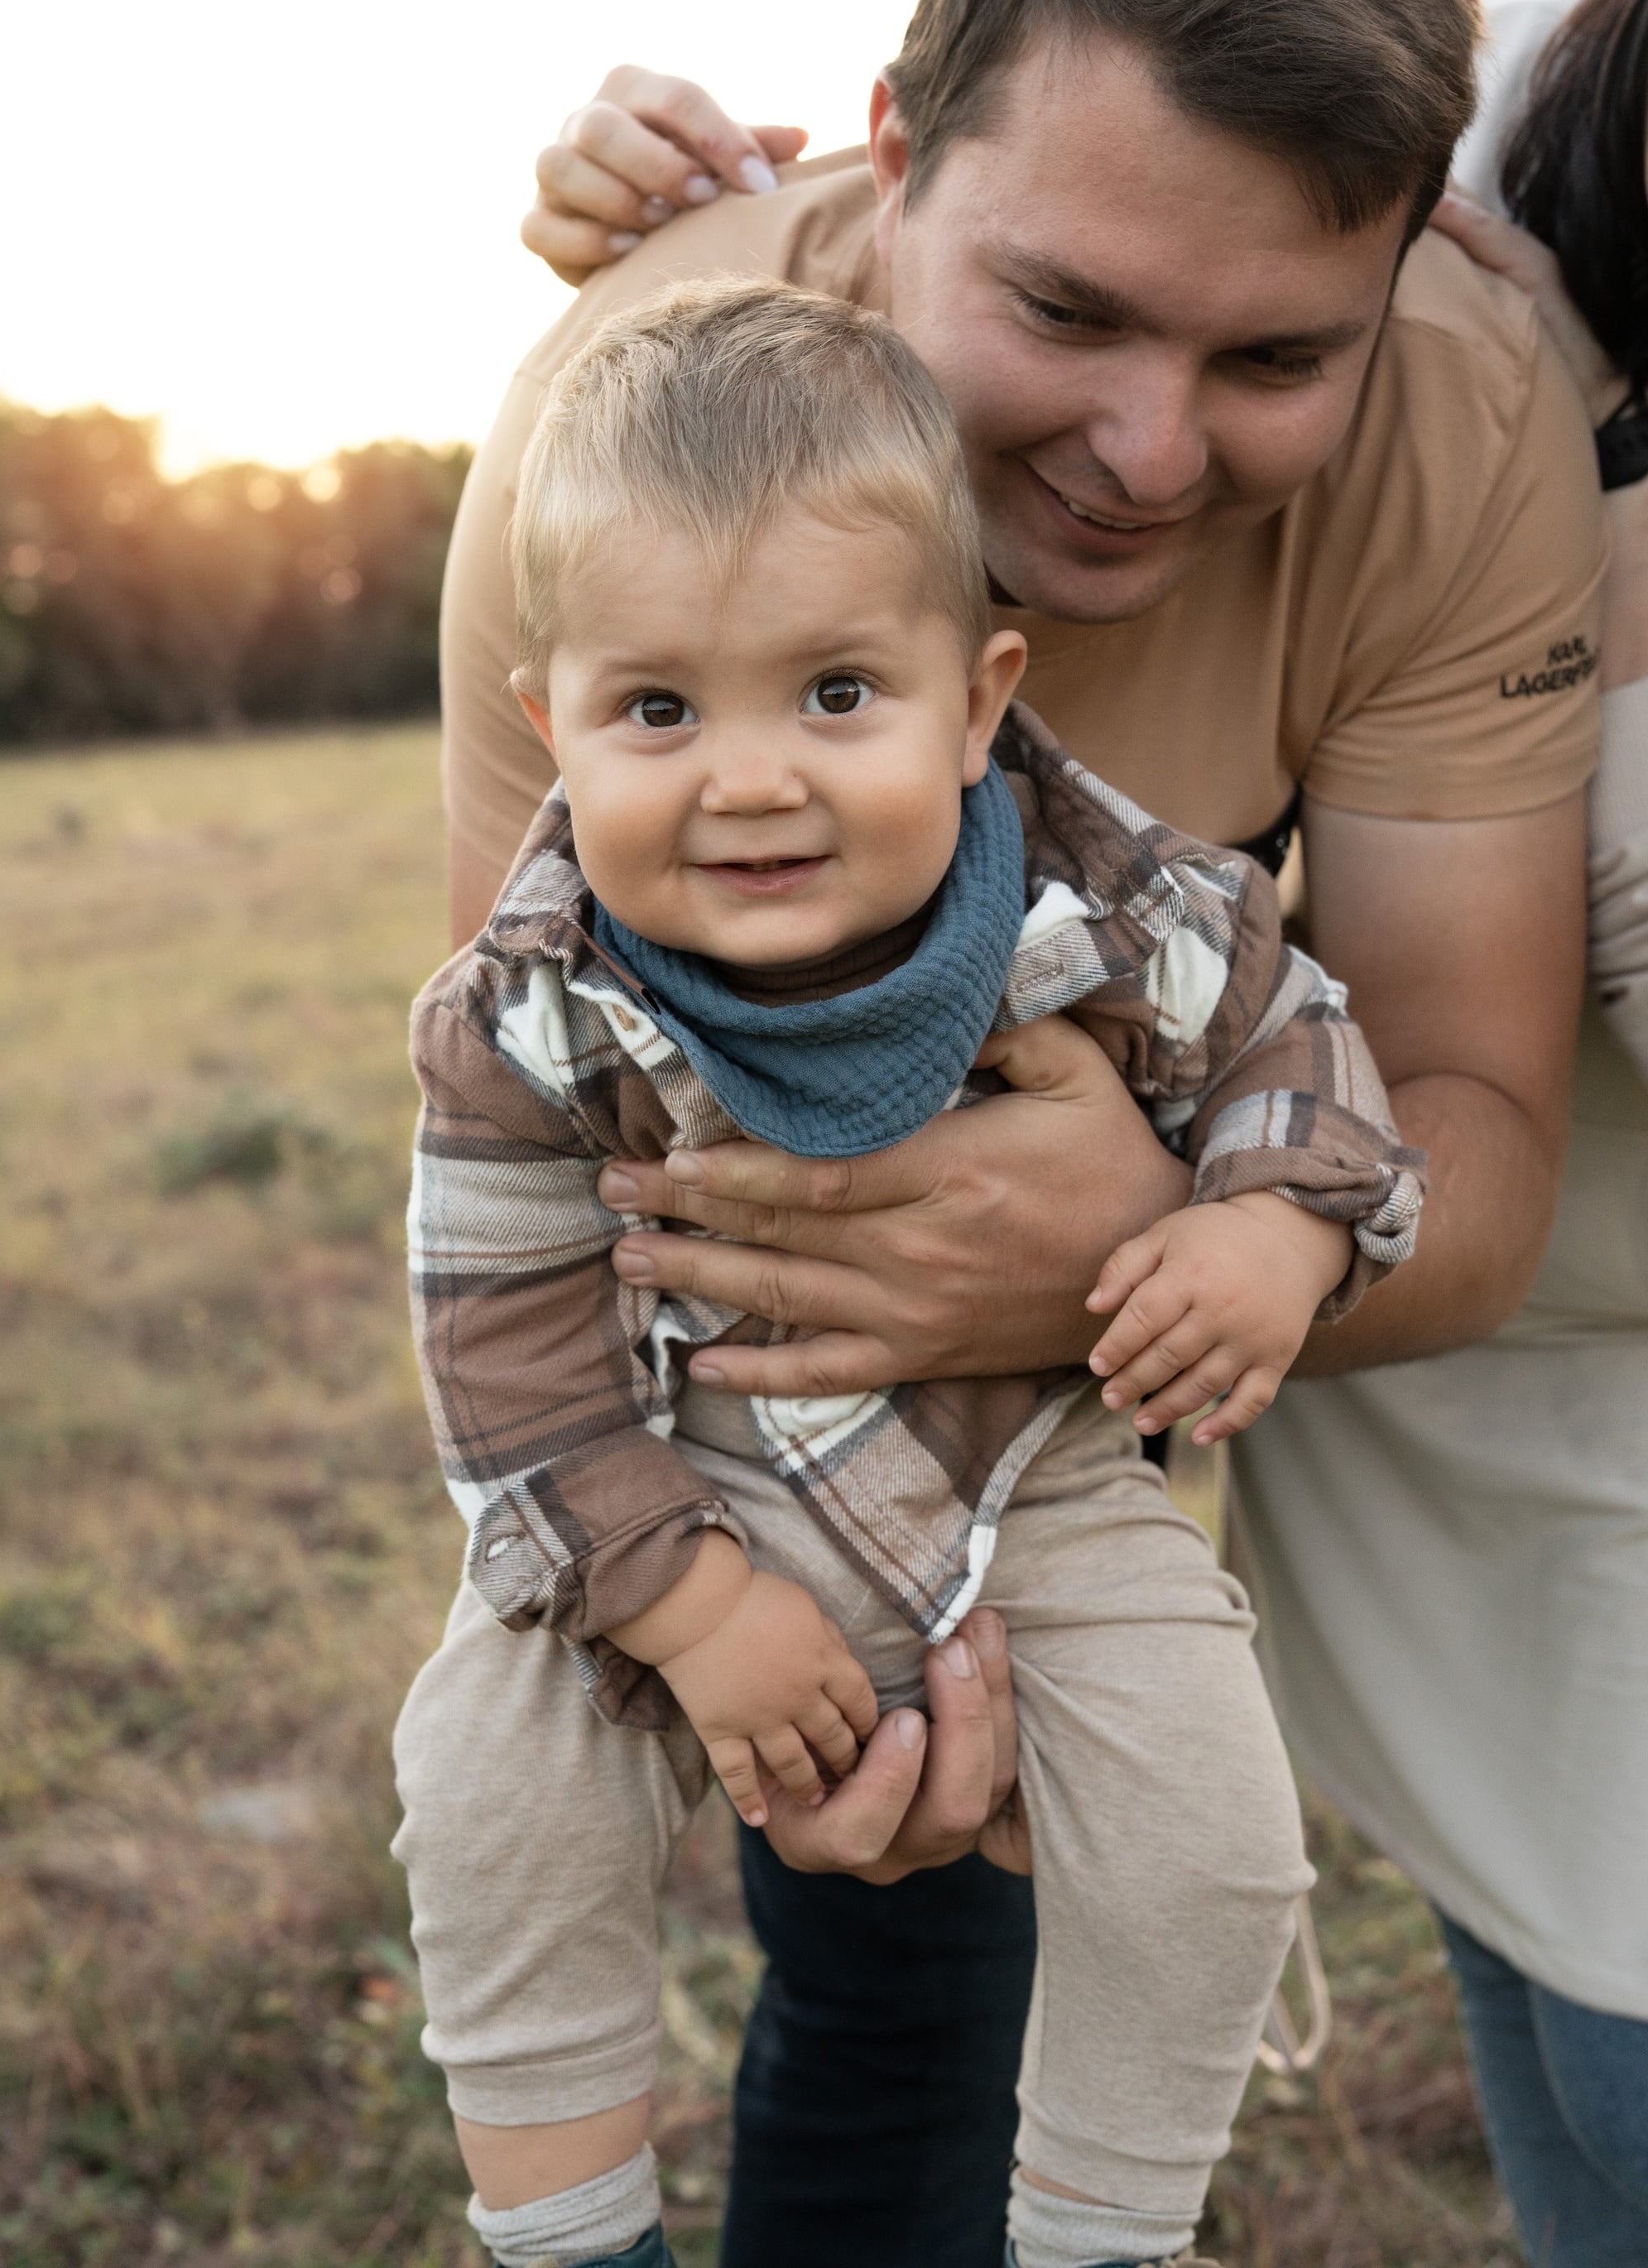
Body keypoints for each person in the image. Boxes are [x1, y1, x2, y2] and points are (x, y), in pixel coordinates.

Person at [430, 0, 1601, 2261]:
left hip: (1138, 1251)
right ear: (887, 153)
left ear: (1411, 259)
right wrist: (736, 1595)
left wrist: (1154, 1244)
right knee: (872, 1928)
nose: (1149, 452)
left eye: (1277, 353)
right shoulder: (618, 420)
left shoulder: (1469, 408)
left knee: (1115, 1804)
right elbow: (542, 1138)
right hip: (737, 1356)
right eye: (1063, 315)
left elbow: (1469, 1118)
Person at [397, 275, 1426, 2268]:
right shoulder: (522, 1011)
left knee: (1213, 1834)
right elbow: (497, 1346)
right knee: (484, 1778)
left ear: (979, 699)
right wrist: (683, 1604)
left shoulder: (1120, 908)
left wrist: (1275, 1224)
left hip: (1018, 1478)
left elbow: (1305, 1052)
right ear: (555, 724)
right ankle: (568, 2232)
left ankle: (1103, 2230)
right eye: (659, 709)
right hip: (664, 1470)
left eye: (836, 694)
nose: (751, 776)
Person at [1230, 0, 1648, 2268]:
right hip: (1442, 1387)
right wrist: (676, 178)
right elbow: (1058, 158)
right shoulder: (1503, 72)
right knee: (1559, 2055)